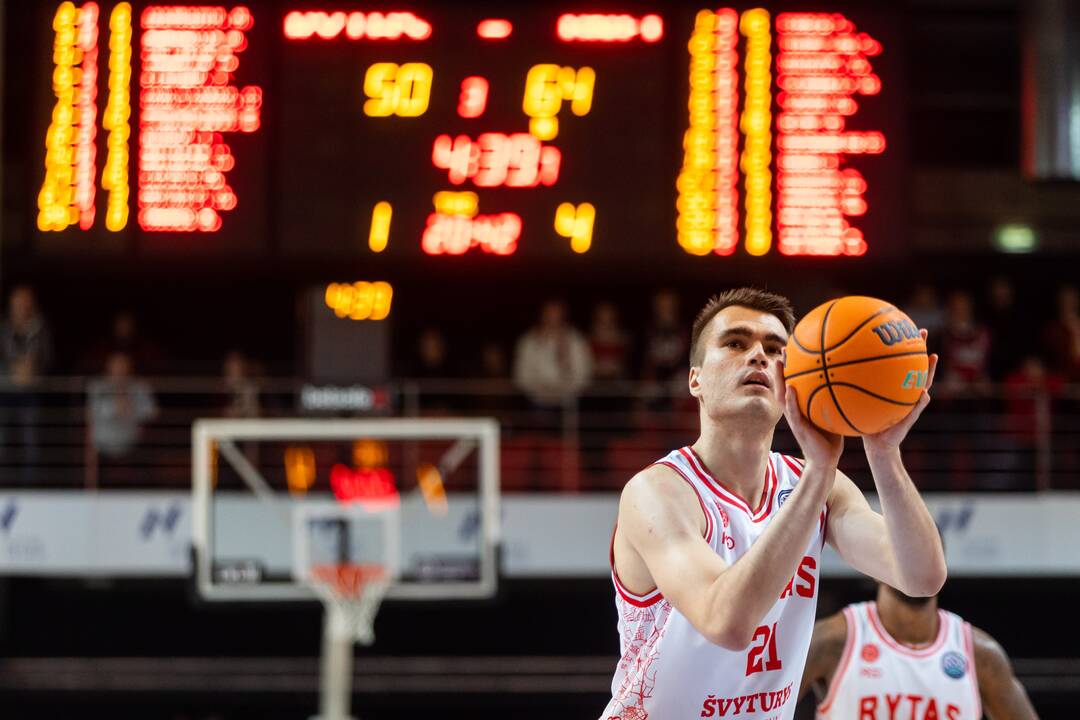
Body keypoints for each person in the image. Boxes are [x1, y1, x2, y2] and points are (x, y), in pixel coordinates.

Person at [603, 288, 946, 719]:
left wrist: (883, 452)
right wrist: (819, 475)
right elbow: (726, 622)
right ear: (695, 379)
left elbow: (920, 576)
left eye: (775, 349)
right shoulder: (657, 493)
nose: (759, 357)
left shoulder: (817, 484)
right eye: (735, 343)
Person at [801, 583, 1038, 719]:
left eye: (925, 555)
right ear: (874, 564)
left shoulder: (979, 653)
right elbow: (765, 706)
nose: (914, 564)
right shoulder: (832, 640)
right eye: (905, 553)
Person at [0, 285, 54, 480]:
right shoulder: (3, 328)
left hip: (30, 392)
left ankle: (31, 482)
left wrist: (34, 369)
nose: (22, 305)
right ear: (11, 304)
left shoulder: (40, 329)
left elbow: (48, 358)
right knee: (2, 438)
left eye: (25, 301)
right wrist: (11, 370)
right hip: (4, 392)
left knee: (31, 438)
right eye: (18, 301)